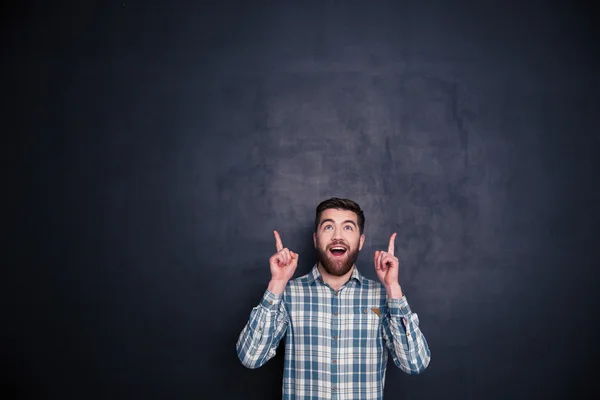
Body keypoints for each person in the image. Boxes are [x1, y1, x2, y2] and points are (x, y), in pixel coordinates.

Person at [236, 197, 431, 399]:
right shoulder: (288, 293)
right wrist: (276, 283)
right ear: (315, 239)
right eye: (328, 227)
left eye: (348, 228)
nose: (337, 236)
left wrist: (393, 287)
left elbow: (414, 363)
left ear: (361, 241)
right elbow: (251, 358)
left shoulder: (383, 297)